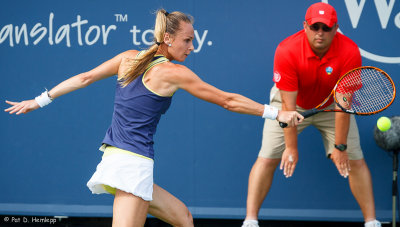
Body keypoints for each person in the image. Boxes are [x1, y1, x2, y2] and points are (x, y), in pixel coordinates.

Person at [5, 9, 303, 227]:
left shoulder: (128, 58)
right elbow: (227, 100)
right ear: (168, 38)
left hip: (121, 161)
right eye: (186, 41)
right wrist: (278, 113)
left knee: (184, 218)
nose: (191, 47)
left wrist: (39, 100)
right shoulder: (174, 73)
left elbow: (84, 78)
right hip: (132, 165)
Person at [242, 3, 381, 227]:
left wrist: (341, 146)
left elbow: (343, 104)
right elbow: (288, 107)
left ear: (336, 28)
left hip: (332, 106)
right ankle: (250, 221)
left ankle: (371, 222)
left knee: (354, 161)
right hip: (292, 104)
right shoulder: (287, 50)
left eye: (326, 28)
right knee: (267, 157)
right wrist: (291, 147)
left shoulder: (349, 51)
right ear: (305, 26)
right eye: (315, 26)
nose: (320, 33)